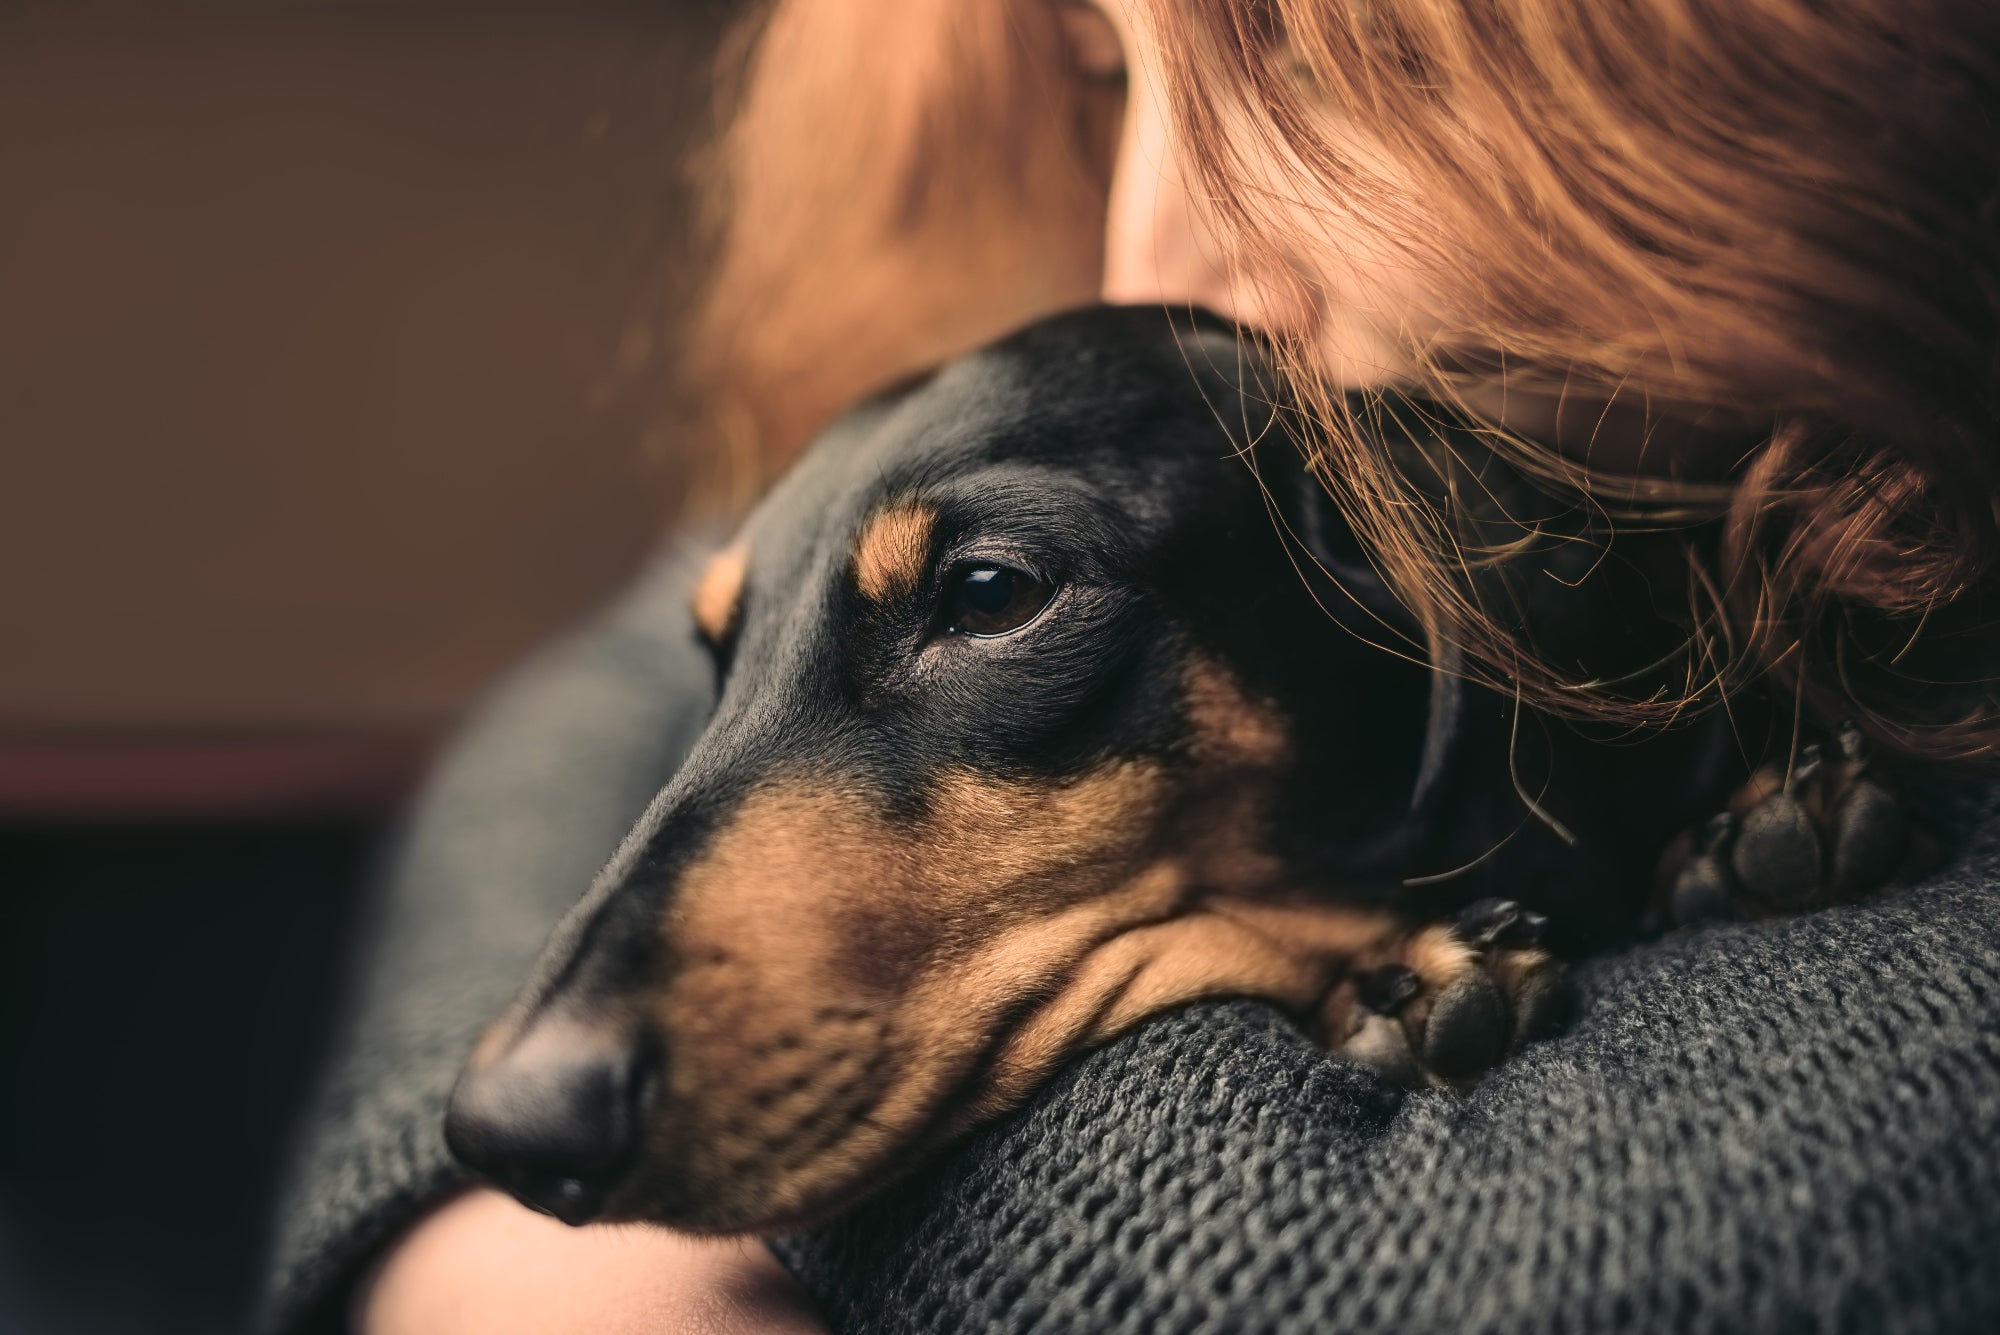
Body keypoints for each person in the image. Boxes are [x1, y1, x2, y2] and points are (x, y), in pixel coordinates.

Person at [264, 2, 2000, 1332]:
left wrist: (723, 1209)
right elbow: (625, 671)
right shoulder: (1263, 435)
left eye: (1337, 53)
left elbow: (1410, 1264)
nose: (1147, 257)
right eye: (1108, 65)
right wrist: (468, 1213)